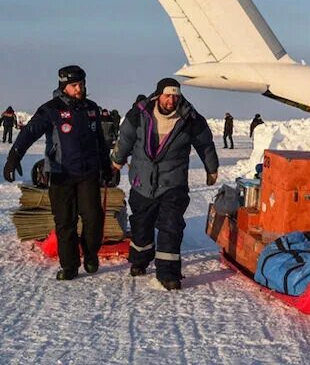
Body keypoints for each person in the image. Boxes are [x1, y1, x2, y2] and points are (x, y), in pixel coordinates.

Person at [3, 65, 112, 280]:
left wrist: (106, 166)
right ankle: (69, 265)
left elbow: (100, 140)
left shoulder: (91, 108)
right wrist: (13, 157)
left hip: (88, 173)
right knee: (65, 222)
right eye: (74, 85)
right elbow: (28, 133)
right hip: (61, 174)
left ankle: (90, 254)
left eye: (81, 84)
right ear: (63, 87)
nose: (79, 88)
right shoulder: (50, 109)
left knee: (94, 217)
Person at [112, 78, 219, 290]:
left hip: (173, 182)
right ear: (158, 95)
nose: (171, 100)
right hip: (142, 181)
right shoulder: (140, 113)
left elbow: (205, 144)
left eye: (175, 96)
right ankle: (140, 260)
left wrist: (212, 168)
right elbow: (125, 139)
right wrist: (116, 161)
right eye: (167, 95)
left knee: (171, 226)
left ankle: (168, 272)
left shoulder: (190, 118)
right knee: (141, 225)